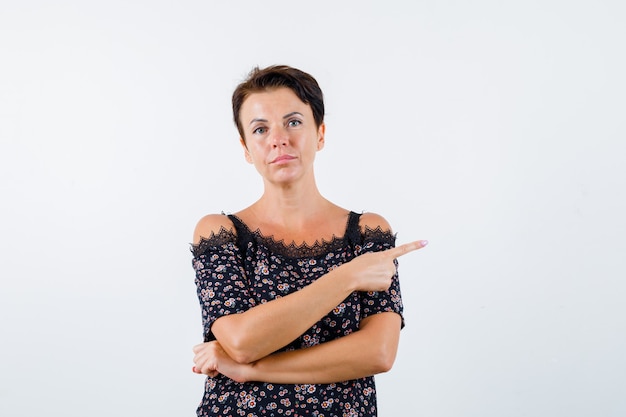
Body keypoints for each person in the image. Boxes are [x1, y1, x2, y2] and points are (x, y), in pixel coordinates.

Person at [190, 65, 427, 416]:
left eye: (294, 122)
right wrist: (348, 276)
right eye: (260, 129)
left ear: (320, 133)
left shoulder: (367, 233)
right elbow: (241, 342)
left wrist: (253, 369)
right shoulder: (219, 232)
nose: (278, 138)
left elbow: (378, 353)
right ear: (245, 148)